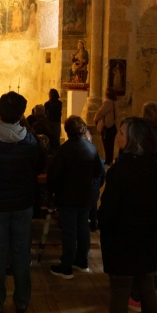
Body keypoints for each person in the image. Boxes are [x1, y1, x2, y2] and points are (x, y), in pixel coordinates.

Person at [0, 91, 44, 313]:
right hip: (23, 203)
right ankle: (22, 301)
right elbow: (38, 166)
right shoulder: (30, 140)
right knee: (21, 251)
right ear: (22, 114)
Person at [99, 117, 157, 313]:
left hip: (121, 238)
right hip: (146, 236)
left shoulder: (119, 172)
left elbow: (108, 210)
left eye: (122, 132)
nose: (118, 135)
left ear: (134, 140)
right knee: (147, 288)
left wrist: (101, 221)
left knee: (120, 290)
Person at [128, 102, 157, 312]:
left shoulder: (143, 141)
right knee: (152, 247)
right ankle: (150, 289)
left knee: (139, 249)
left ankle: (139, 294)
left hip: (144, 202)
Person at [47, 116, 104, 279]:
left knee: (69, 231)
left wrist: (53, 190)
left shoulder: (65, 149)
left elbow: (54, 174)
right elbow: (98, 170)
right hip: (85, 195)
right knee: (83, 229)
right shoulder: (91, 148)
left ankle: (66, 267)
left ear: (67, 130)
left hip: (67, 196)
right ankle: (82, 262)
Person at [94, 88, 118, 165]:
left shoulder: (108, 102)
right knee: (111, 145)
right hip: (112, 125)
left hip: (107, 126)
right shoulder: (115, 102)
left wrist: (95, 119)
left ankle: (108, 160)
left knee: (107, 145)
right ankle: (109, 160)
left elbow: (101, 112)